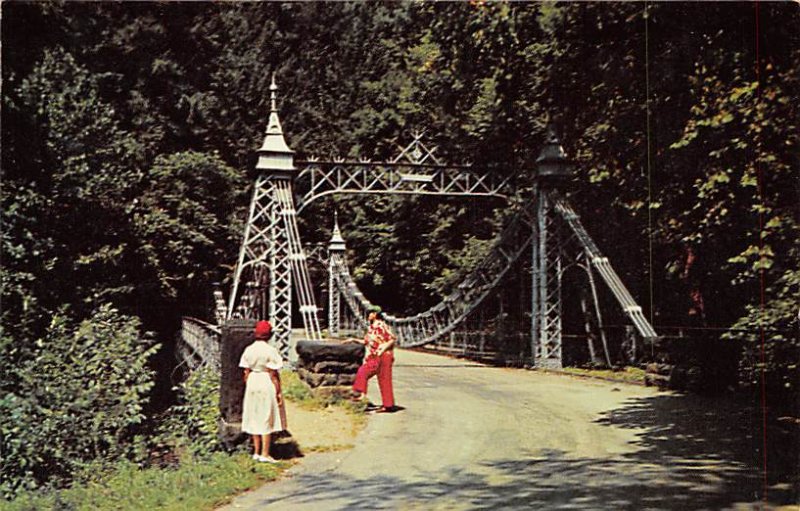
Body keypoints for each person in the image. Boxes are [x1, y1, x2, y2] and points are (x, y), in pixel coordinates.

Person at [239, 320, 284, 463]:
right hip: (266, 381)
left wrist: (249, 384)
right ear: (269, 335)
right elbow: (274, 374)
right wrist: (278, 392)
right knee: (266, 417)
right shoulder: (270, 351)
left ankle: (256, 452)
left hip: (253, 380)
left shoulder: (249, 349)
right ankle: (265, 454)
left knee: (254, 415)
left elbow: (245, 371)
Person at [351, 306, 397, 413]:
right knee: (364, 372)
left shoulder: (381, 325)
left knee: (382, 379)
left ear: (375, 314)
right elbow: (366, 341)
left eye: (369, 313)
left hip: (384, 355)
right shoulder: (371, 328)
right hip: (375, 356)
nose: (367, 316)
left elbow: (392, 340)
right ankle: (364, 396)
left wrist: (382, 349)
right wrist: (353, 340)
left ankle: (387, 405)